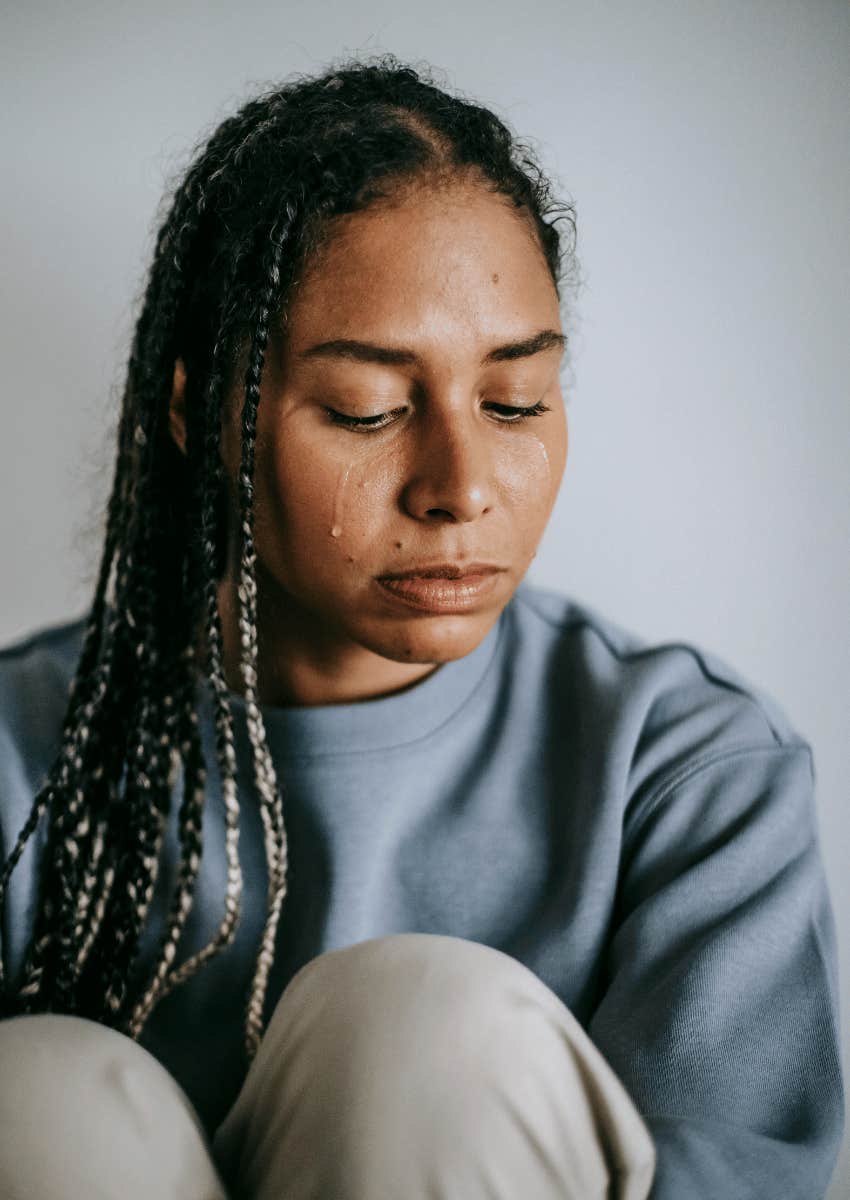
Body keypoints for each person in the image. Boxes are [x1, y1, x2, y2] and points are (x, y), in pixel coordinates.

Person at [0, 54, 843, 1200]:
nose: (461, 485)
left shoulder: (685, 771)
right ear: (205, 416)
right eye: (369, 409)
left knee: (425, 1031)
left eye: (515, 401)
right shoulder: (20, 758)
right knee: (42, 1091)